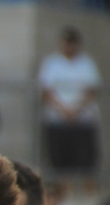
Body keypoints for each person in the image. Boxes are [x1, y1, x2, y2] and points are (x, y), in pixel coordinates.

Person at [38, 26, 101, 184]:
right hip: (58, 120)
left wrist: (76, 110)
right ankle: (64, 193)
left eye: (71, 42)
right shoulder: (52, 63)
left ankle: (88, 194)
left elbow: (92, 91)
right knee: (60, 163)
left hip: (82, 120)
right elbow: (46, 92)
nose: (68, 46)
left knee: (86, 162)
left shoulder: (87, 64)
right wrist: (64, 110)